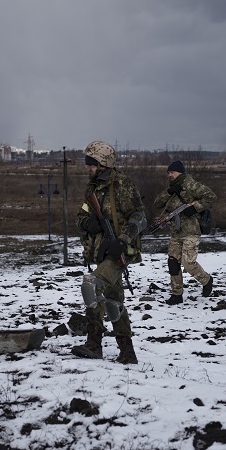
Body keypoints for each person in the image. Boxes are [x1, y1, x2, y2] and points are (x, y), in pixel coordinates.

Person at [71, 141, 147, 364]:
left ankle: (94, 343)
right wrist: (89, 225)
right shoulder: (92, 189)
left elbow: (140, 216)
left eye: (91, 164)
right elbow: (79, 219)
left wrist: (122, 240)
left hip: (118, 251)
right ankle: (126, 351)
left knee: (91, 285)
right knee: (113, 300)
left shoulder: (122, 185)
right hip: (100, 251)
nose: (88, 168)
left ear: (103, 164)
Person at [152, 160, 217, 305]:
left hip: (191, 231)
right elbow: (157, 204)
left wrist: (195, 208)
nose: (169, 175)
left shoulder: (191, 185)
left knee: (188, 263)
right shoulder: (172, 189)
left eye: (172, 172)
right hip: (175, 232)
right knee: (172, 262)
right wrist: (168, 192)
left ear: (180, 172)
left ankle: (206, 280)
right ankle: (177, 294)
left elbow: (211, 197)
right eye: (168, 173)